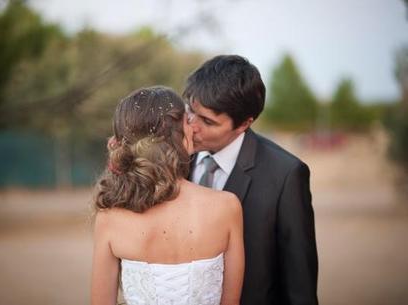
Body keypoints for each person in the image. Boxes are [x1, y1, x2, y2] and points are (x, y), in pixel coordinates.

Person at [183, 55, 319, 305]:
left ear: (244, 124)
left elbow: (300, 284)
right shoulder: (173, 158)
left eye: (208, 121)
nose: (191, 126)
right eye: (190, 111)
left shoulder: (286, 175)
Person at [91, 86, 245, 305]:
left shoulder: (110, 217)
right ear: (176, 135)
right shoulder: (227, 207)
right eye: (188, 119)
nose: (194, 126)